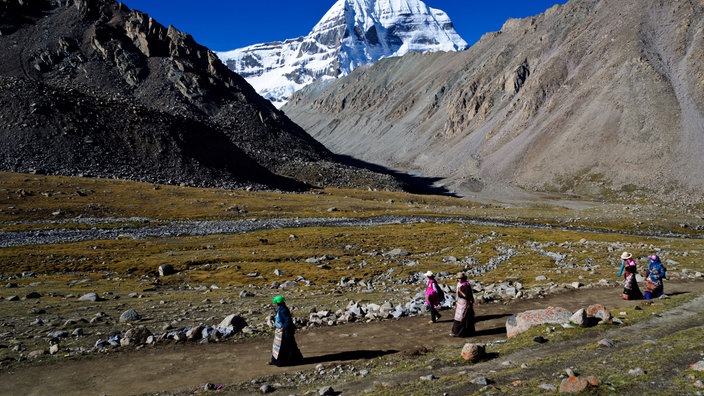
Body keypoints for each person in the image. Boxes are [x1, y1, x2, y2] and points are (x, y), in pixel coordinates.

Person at [269, 295, 303, 367]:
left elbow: (288, 320)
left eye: (275, 303)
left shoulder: (283, 310)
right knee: (279, 346)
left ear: (277, 303)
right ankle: (276, 361)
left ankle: (282, 362)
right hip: (281, 331)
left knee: (284, 347)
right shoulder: (280, 309)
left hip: (285, 332)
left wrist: (283, 328)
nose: (275, 304)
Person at [451, 272, 475, 337]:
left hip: (465, 303)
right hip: (460, 303)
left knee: (463, 317)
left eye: (460, 278)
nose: (459, 279)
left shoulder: (466, 286)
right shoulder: (460, 284)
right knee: (458, 317)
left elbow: (466, 296)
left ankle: (461, 332)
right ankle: (456, 331)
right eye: (458, 278)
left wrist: (460, 291)